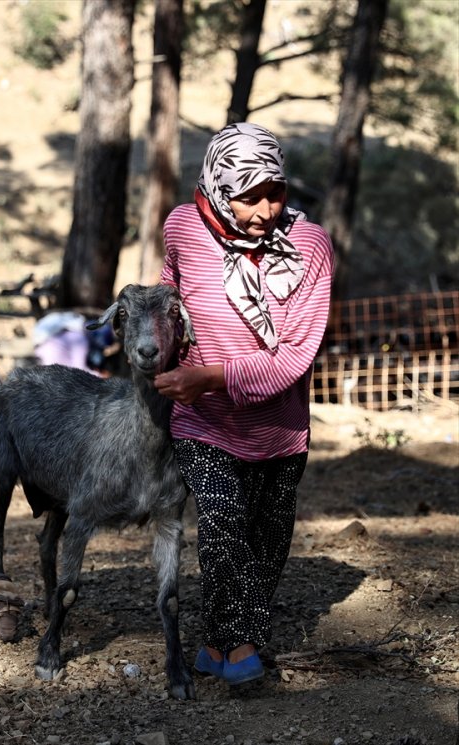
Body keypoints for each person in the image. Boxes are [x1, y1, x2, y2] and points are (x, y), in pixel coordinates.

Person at [153, 122, 334, 686]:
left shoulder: (311, 247)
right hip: (202, 421)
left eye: (274, 193)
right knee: (224, 520)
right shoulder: (183, 227)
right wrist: (158, 349)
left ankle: (214, 642)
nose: (264, 210)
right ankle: (246, 648)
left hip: (278, 426)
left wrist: (211, 375)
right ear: (217, 186)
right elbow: (171, 298)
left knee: (267, 538)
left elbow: (293, 357)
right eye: (247, 195)